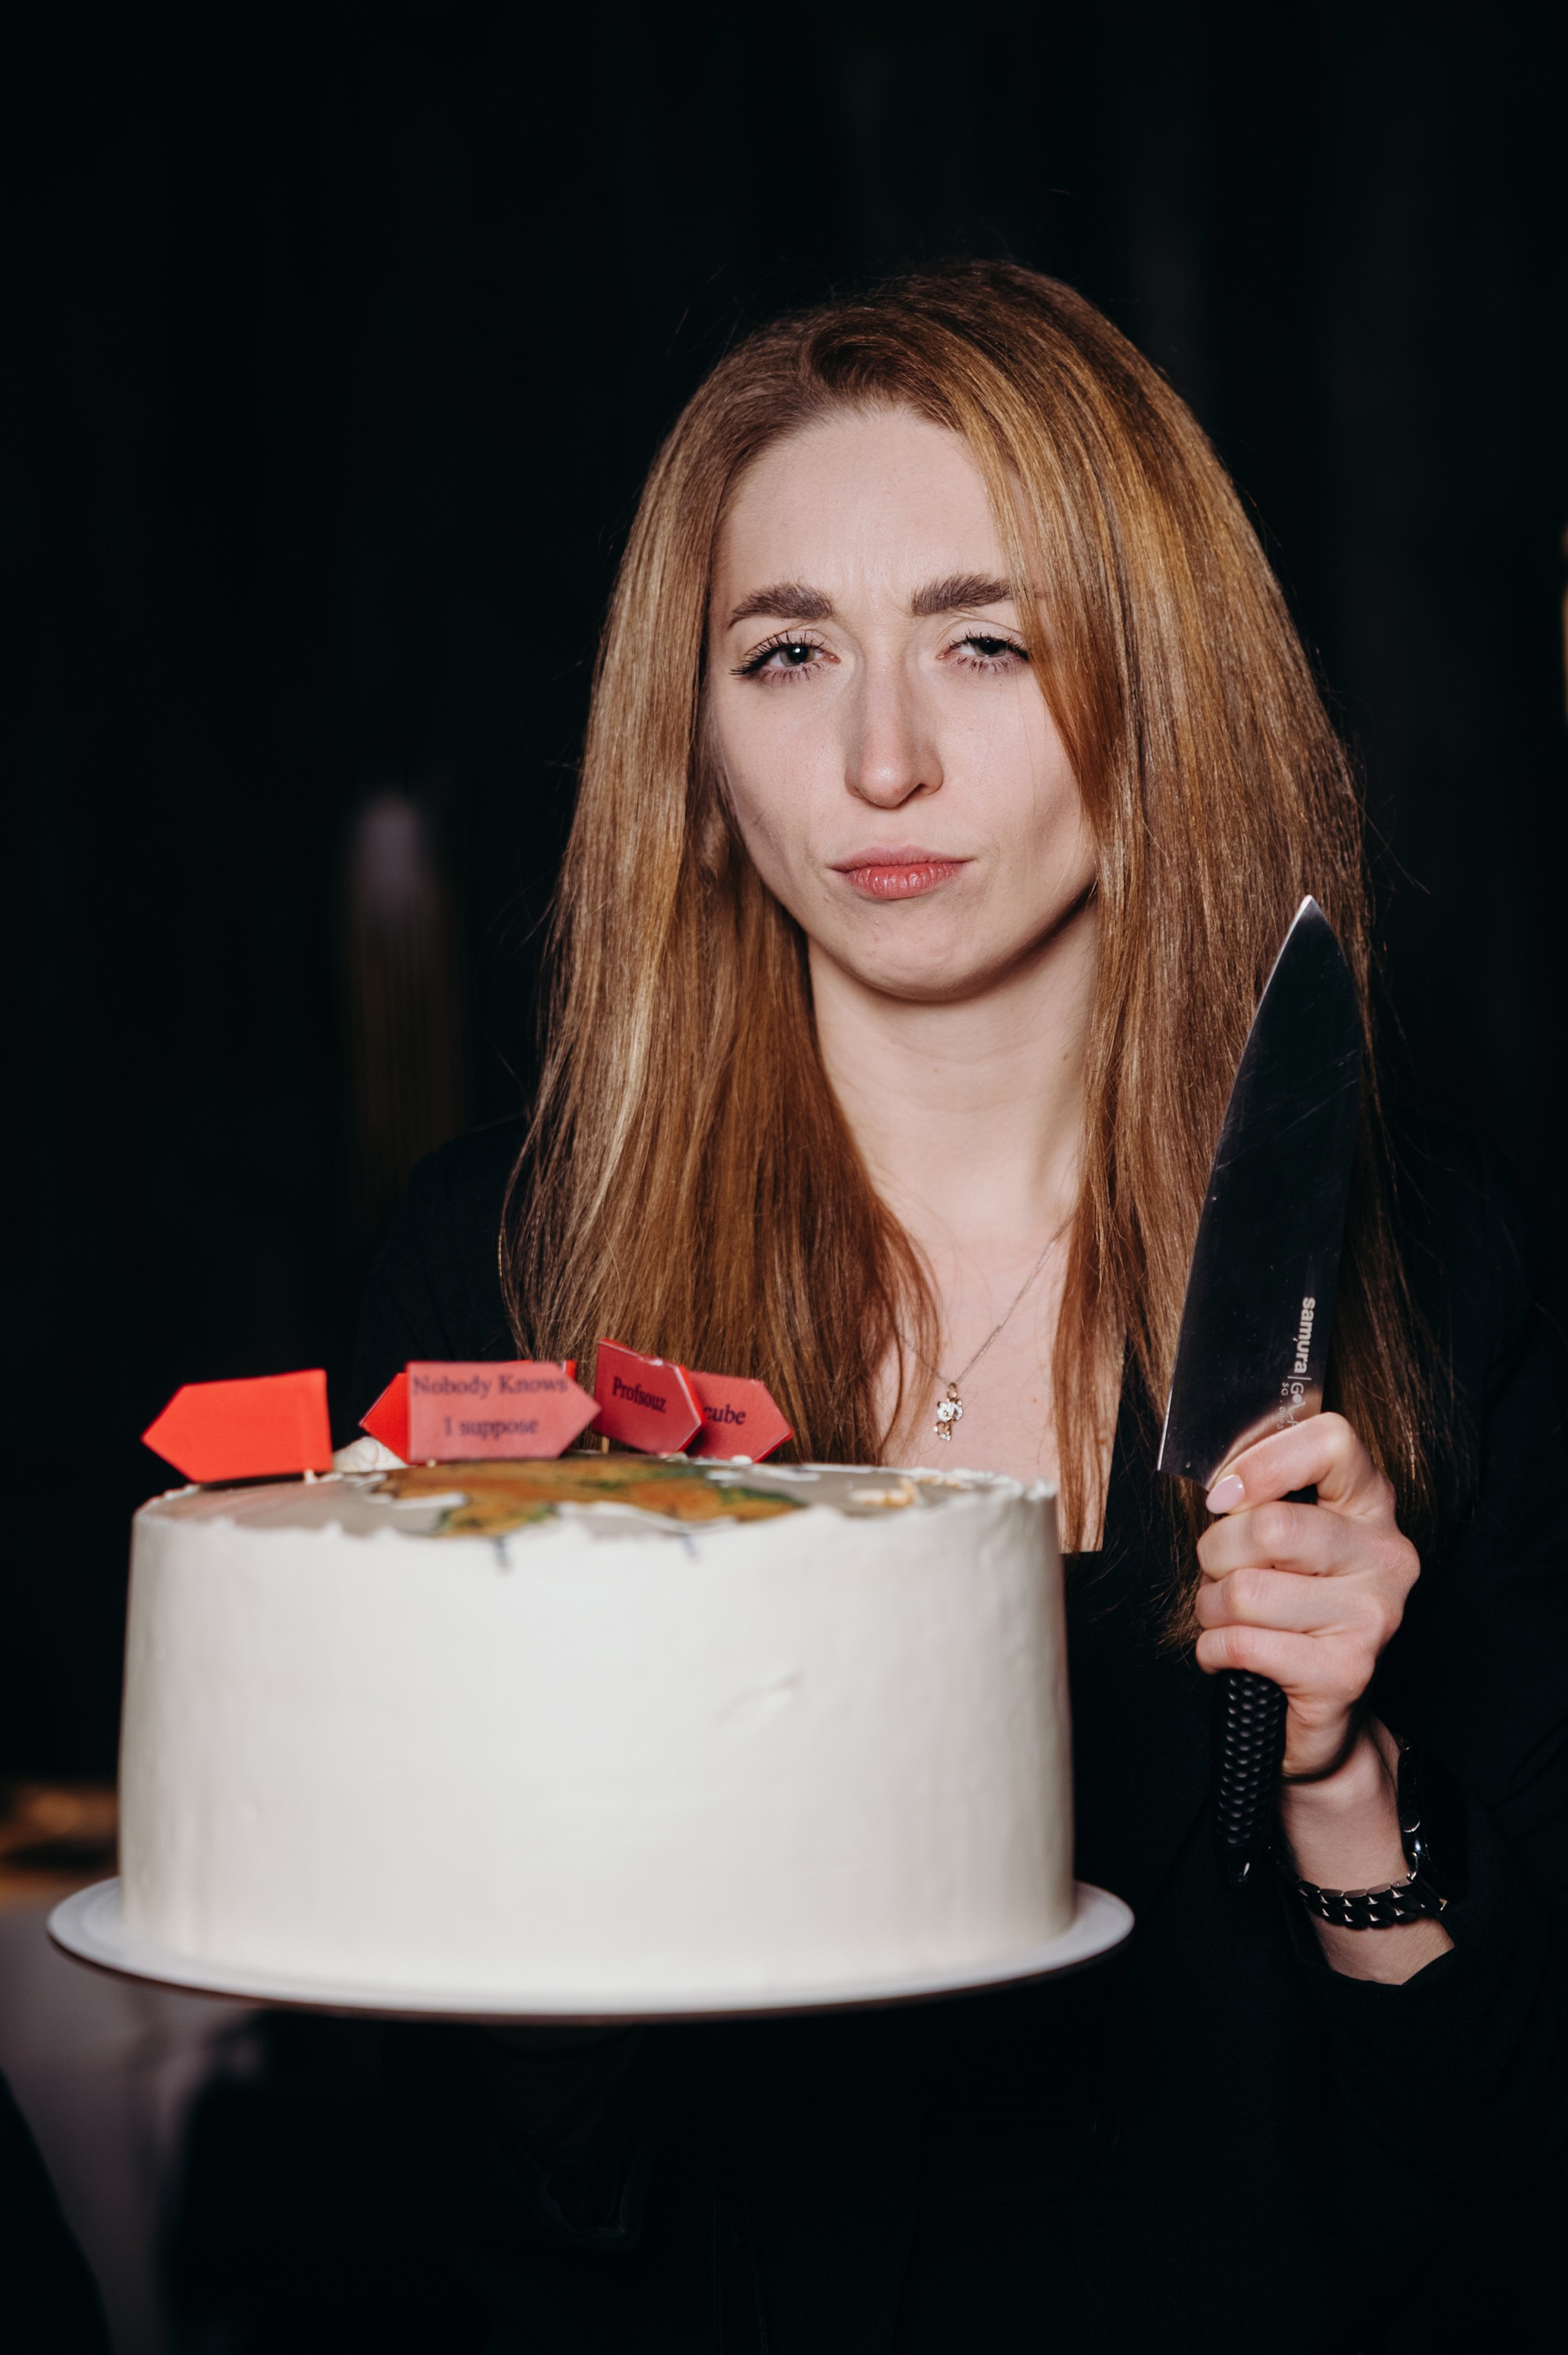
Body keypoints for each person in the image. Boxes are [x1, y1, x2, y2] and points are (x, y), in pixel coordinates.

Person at [354, 264, 1567, 2352]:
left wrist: (1344, 1776)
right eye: (789, 651)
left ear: (1156, 691)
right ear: (696, 749)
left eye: (985, 640)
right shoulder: (500, 1285)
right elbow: (430, 2203)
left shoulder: (1430, 1275)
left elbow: (1522, 2178)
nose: (883, 759)